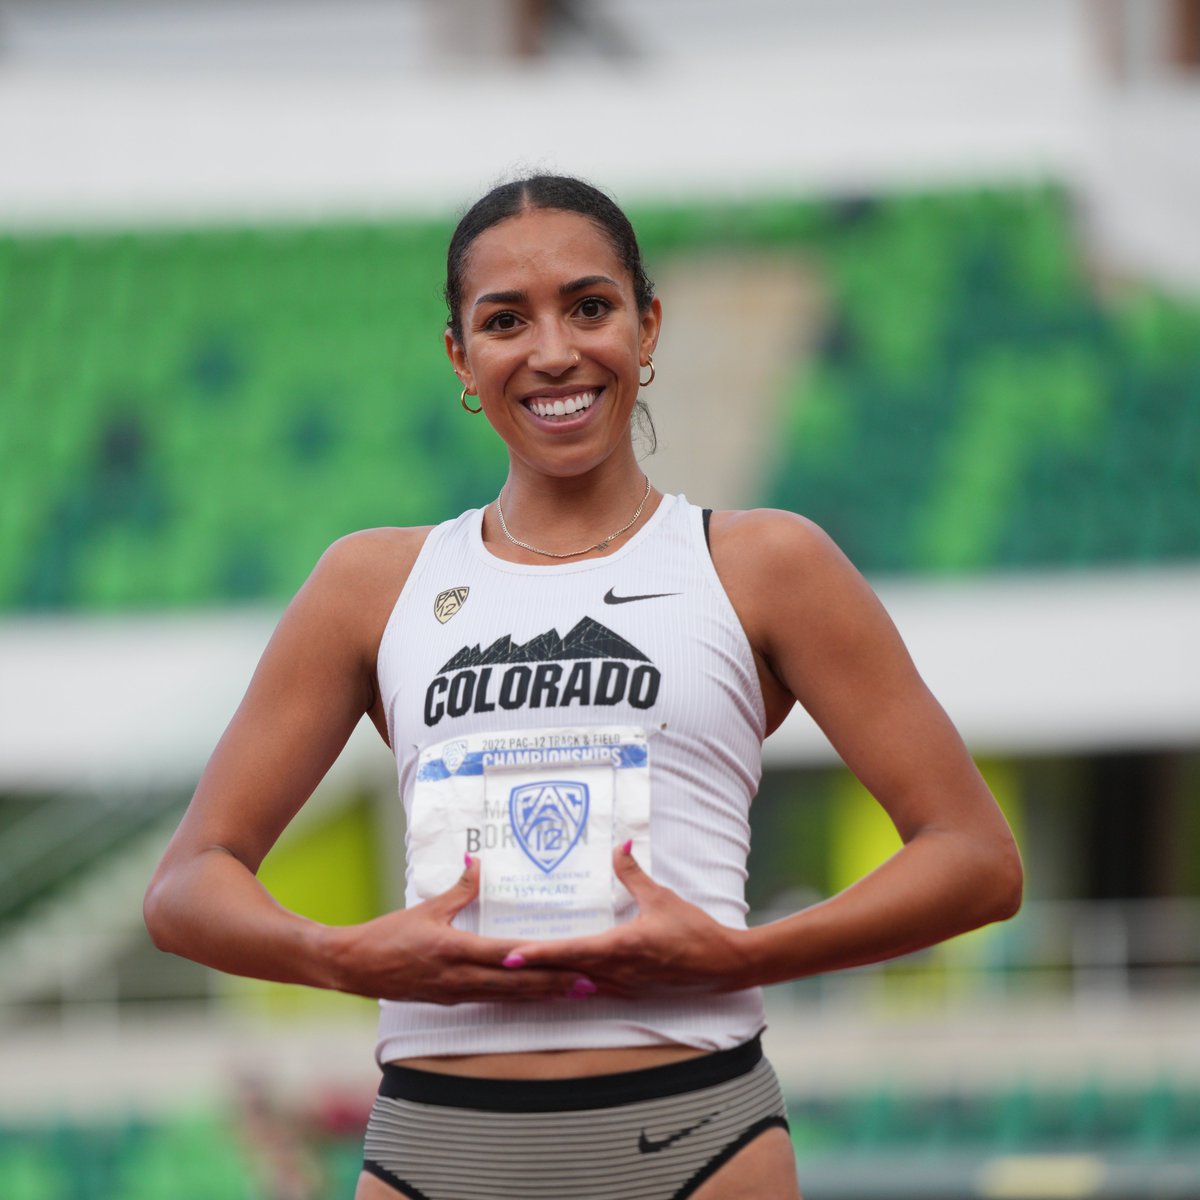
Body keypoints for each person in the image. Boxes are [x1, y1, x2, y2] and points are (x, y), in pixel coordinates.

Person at [144, 174, 1023, 1200]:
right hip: (437, 1144)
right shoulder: (369, 585)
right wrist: (346, 957)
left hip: (699, 1134)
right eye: (506, 320)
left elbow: (975, 859)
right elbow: (187, 884)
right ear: (459, 358)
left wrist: (741, 954)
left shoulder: (765, 564)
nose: (554, 351)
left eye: (590, 307)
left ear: (649, 329)